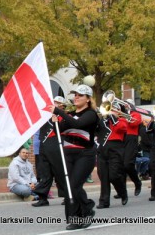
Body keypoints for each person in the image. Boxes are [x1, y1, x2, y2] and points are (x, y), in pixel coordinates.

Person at [49, 84, 99, 230]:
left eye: (80, 95)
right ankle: (75, 218)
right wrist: (55, 120)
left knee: (74, 185)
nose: (76, 97)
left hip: (85, 154)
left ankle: (88, 207)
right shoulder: (70, 114)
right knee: (68, 188)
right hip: (69, 154)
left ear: (88, 99)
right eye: (75, 94)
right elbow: (60, 130)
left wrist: (59, 111)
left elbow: (78, 124)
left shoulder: (91, 114)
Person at [32, 96, 67, 207]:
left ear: (61, 106)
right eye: (54, 102)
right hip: (44, 144)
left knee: (60, 172)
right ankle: (43, 198)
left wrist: (56, 117)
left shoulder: (62, 116)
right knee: (44, 172)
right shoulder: (45, 116)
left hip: (55, 144)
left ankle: (67, 195)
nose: (54, 104)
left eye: (57, 103)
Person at [96, 102, 128, 209]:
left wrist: (113, 117)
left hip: (116, 149)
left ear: (118, 112)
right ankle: (104, 201)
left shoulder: (122, 120)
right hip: (102, 149)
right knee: (103, 176)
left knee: (114, 176)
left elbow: (121, 128)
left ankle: (122, 192)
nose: (111, 111)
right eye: (110, 109)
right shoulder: (103, 120)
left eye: (114, 109)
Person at [123, 99, 143, 196]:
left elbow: (133, 123)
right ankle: (122, 190)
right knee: (120, 165)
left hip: (131, 139)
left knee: (128, 164)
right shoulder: (120, 113)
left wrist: (124, 115)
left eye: (126, 104)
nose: (125, 106)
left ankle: (137, 182)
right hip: (121, 139)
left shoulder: (136, 114)